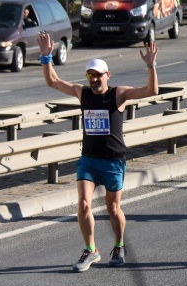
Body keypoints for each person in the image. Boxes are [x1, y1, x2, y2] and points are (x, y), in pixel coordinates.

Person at [36, 32, 159, 272]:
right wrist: (45, 56)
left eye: (97, 75)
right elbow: (53, 81)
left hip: (113, 162)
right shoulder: (83, 94)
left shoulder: (119, 94)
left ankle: (119, 245)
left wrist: (151, 65)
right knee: (83, 203)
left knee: (113, 209)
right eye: (89, 75)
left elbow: (151, 91)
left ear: (107, 76)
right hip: (89, 160)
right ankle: (91, 250)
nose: (93, 79)